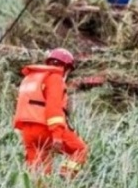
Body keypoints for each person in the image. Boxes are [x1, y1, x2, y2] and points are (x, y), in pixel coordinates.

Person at [13, 48, 88, 179]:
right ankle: (65, 176)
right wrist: (57, 135)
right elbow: (53, 108)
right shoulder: (55, 78)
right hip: (45, 129)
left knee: (39, 173)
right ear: (65, 68)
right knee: (80, 149)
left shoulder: (30, 78)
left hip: (27, 132)